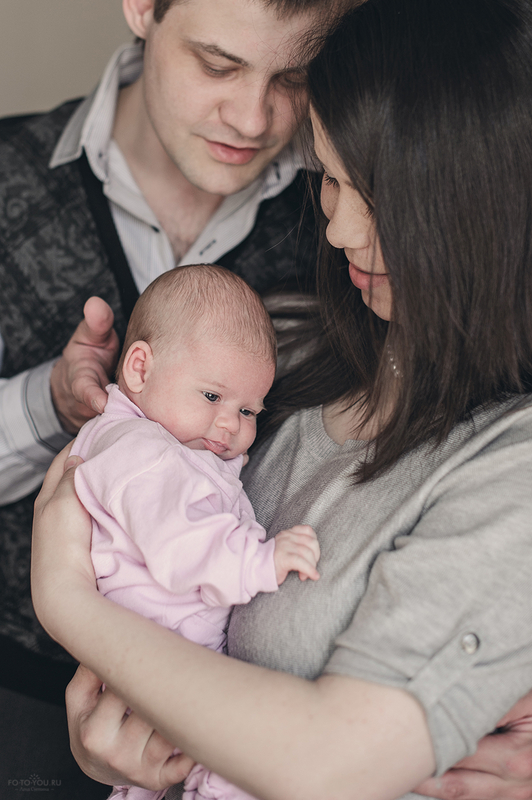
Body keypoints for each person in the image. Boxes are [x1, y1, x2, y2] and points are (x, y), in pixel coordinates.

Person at [30, 0, 532, 799]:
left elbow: (331, 762)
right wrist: (116, 744)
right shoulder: (283, 345)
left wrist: (68, 604)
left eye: (378, 195)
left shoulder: (508, 459)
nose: (339, 231)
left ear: (480, 205)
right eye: (329, 179)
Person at [0, 0, 339, 794]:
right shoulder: (7, 179)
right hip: (17, 689)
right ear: (142, 8)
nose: (253, 118)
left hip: (239, 715)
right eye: (219, 65)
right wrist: (51, 406)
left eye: (293, 77)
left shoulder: (342, 221)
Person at [72, 263, 320, 800]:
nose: (231, 424)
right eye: (212, 397)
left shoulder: (167, 446)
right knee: (233, 752)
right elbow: (177, 544)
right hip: (156, 652)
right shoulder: (139, 451)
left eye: (248, 409)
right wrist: (259, 561)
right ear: (140, 369)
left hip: (160, 656)